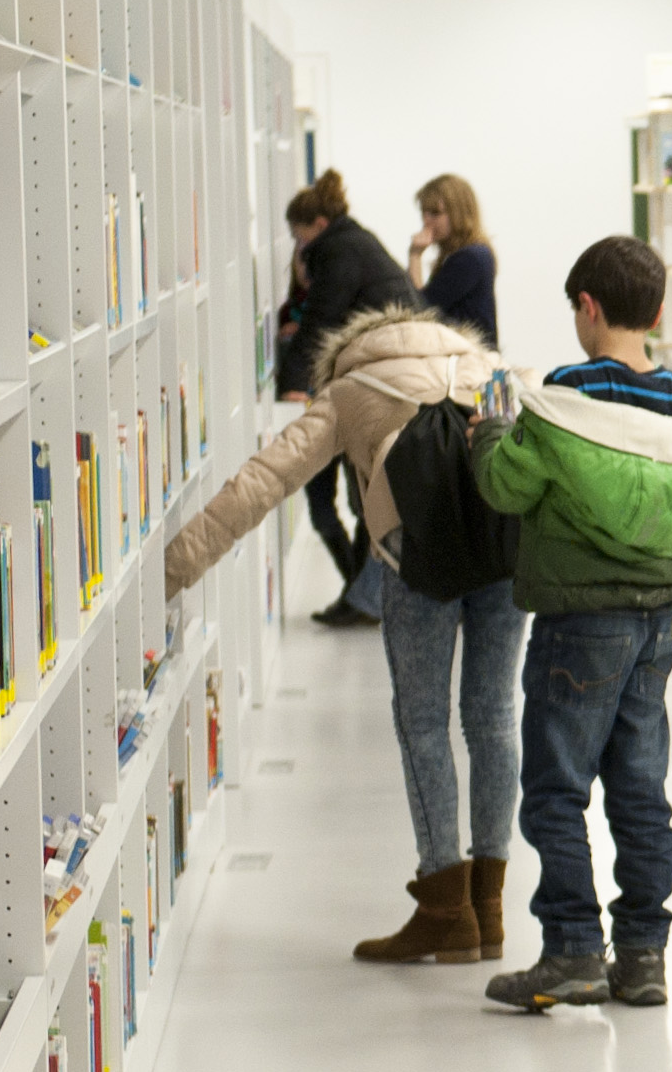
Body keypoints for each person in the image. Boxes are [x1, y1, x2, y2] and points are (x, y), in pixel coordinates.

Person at [164, 300, 522, 965]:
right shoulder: (491, 368)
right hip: (505, 557)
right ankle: (492, 909)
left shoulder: (353, 391)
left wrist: (172, 568)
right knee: (494, 717)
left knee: (423, 722)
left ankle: (447, 910)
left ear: (352, 347)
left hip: (418, 567)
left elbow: (266, 478)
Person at [472, 236, 672, 1014]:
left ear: (588, 308)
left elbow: (506, 488)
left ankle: (574, 949)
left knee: (554, 788)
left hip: (580, 616)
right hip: (656, 618)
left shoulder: (567, 393)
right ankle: (644, 958)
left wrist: (490, 426)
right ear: (655, 311)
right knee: (641, 789)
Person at [280, 171, 418, 626]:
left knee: (366, 499)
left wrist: (290, 385)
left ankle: (363, 599)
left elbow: (321, 322)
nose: (297, 247)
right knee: (367, 497)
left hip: (381, 380)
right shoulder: (354, 242)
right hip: (390, 375)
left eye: (299, 236)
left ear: (316, 224)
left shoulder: (336, 251)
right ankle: (361, 596)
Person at [406, 172, 499, 346]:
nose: (426, 221)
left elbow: (419, 310)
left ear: (458, 213)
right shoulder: (474, 254)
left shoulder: (469, 258)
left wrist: (415, 255)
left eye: (435, 213)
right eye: (424, 213)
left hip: (471, 361)